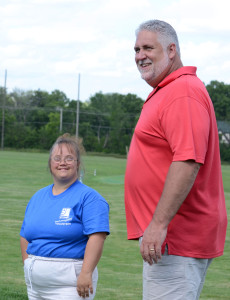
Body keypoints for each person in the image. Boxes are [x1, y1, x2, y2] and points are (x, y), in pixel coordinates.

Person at [124, 20, 227, 300]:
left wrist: (158, 225)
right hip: (170, 238)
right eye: (136, 49)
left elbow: (188, 161)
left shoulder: (182, 92)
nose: (140, 55)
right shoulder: (169, 90)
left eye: (148, 48)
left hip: (177, 237)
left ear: (171, 50)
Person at [20, 133, 110, 300]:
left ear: (78, 164)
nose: (62, 162)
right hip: (35, 286)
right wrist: (27, 264)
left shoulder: (90, 198)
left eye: (69, 158)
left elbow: (97, 237)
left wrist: (86, 272)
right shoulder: (37, 197)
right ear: (50, 163)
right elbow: (25, 234)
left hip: (70, 285)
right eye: (57, 158)